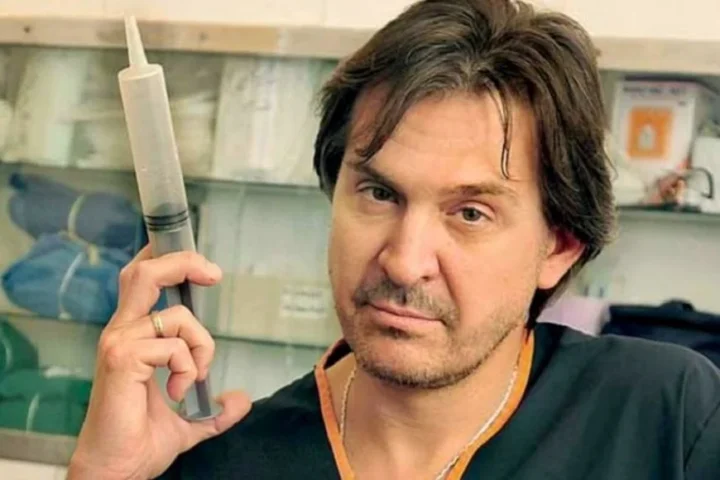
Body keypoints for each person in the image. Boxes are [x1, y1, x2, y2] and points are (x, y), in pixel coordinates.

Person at [67, 0, 720, 478]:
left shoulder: (666, 418)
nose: (405, 263)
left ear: (559, 246)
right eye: (380, 194)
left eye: (470, 214)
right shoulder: (222, 461)